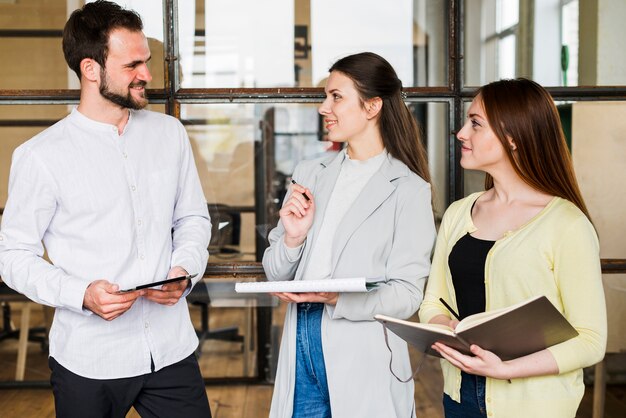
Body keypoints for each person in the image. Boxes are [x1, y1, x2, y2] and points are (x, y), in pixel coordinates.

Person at [0, 1, 212, 417]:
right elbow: (12, 256)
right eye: (133, 64)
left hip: (171, 351)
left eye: (146, 62)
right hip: (89, 359)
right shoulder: (40, 156)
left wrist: (184, 270)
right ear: (90, 69)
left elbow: (192, 219)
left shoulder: (169, 135)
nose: (147, 75)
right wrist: (80, 295)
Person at [419, 78, 607, 417]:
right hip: (460, 396)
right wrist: (444, 327)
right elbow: (434, 299)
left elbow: (591, 340)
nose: (461, 133)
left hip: (535, 405)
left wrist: (505, 369)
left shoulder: (567, 225)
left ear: (513, 137)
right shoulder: (459, 213)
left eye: (475, 124)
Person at [262, 52, 437, 418]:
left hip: (362, 347)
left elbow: (406, 294)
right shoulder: (310, 172)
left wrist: (336, 299)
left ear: (372, 106)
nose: (324, 107)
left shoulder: (408, 189)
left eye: (336, 97)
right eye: (326, 96)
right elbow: (276, 273)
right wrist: (293, 239)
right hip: (301, 336)